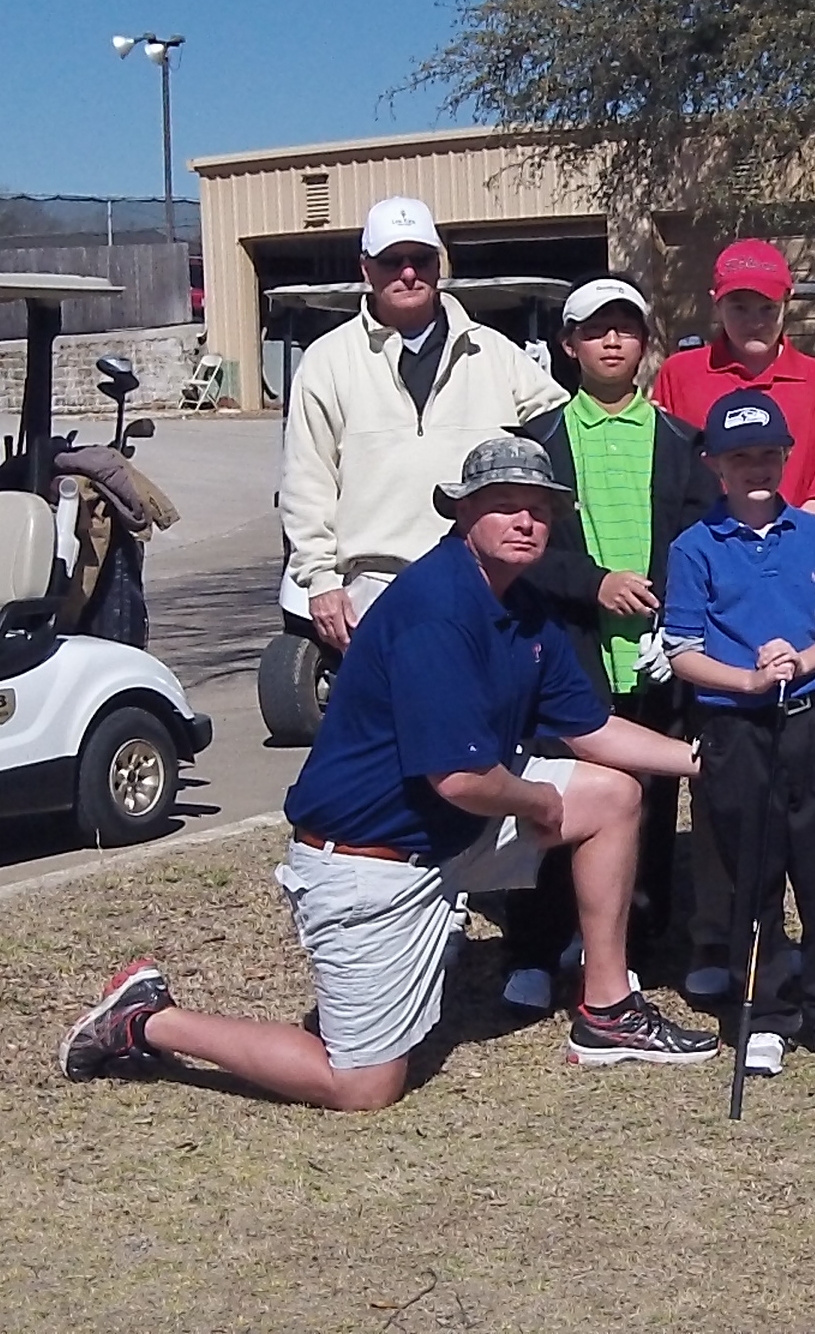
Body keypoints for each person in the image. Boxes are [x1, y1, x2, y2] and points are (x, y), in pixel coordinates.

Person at [60, 437, 720, 1110]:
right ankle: (146, 1018)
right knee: (362, 1085)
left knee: (611, 794)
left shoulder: (526, 608)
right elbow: (459, 780)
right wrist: (540, 804)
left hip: (450, 835)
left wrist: (703, 761)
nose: (524, 522)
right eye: (503, 507)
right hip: (369, 861)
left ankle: (608, 1012)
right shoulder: (437, 607)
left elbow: (590, 729)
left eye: (538, 510)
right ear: (463, 517)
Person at [505, 275, 716, 1011]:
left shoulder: (683, 444)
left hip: (657, 658)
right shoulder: (539, 444)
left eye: (626, 328)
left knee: (650, 804)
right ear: (569, 346)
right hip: (572, 653)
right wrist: (593, 583)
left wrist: (672, 611)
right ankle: (534, 946)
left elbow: (698, 542)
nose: (612, 341)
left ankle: (631, 944)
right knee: (557, 800)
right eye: (596, 330)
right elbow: (524, 551)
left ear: (645, 345)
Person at [662, 389, 815, 1078]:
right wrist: (748, 679)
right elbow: (681, 650)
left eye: (767, 455)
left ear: (786, 458)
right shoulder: (696, 546)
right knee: (752, 874)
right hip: (734, 723)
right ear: (717, 466)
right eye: (740, 457)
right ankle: (767, 1011)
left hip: (808, 718)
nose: (755, 468)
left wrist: (799, 663)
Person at [280, 197, 568, 655]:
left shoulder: (494, 352)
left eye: (422, 259)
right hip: (374, 590)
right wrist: (318, 578)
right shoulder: (327, 361)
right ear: (366, 268)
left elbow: (562, 436)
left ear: (440, 264)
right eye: (392, 261)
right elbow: (307, 479)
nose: (408, 273)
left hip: (485, 581)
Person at [651, 238, 815, 520]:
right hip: (705, 546)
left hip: (791, 543)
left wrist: (787, 541)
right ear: (715, 303)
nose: (754, 322)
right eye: (739, 308)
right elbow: (669, 478)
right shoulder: (679, 374)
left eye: (767, 308)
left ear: (787, 301)